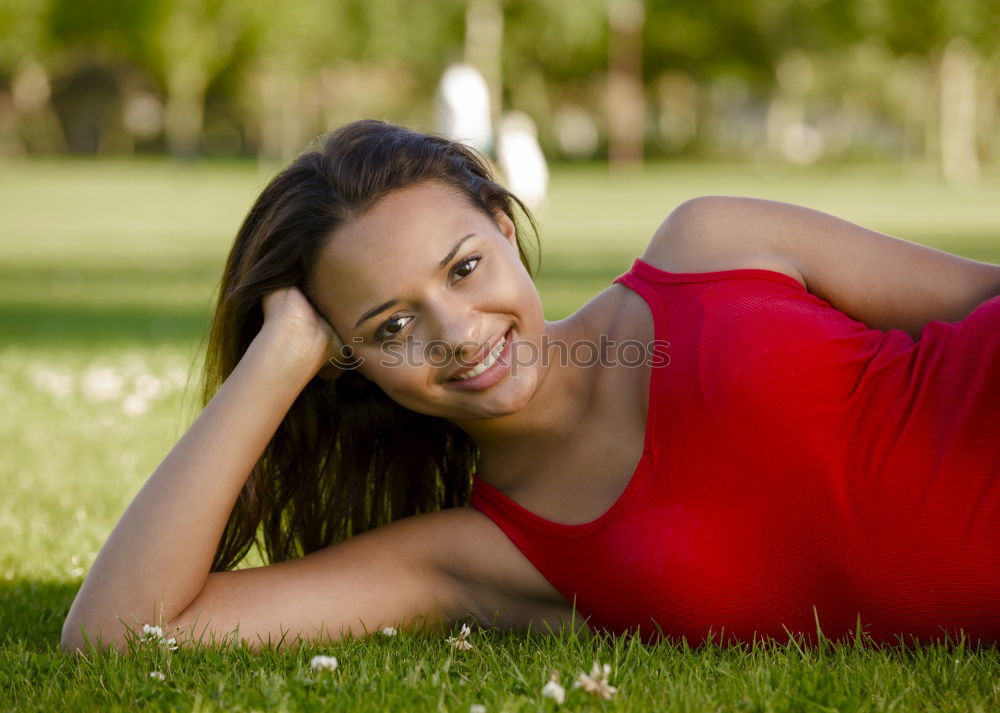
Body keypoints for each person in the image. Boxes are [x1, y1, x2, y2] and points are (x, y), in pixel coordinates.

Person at [61, 119, 1000, 653]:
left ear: (507, 231)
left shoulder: (712, 244)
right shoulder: (476, 557)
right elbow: (115, 635)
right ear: (346, 363)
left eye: (464, 268)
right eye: (391, 326)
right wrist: (277, 358)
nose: (458, 334)